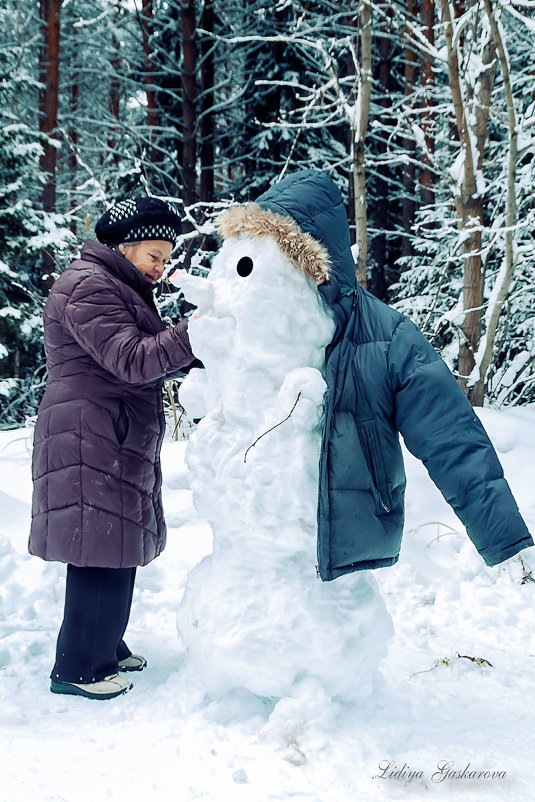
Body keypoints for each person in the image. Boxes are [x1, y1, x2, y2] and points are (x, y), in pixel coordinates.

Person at [216, 169, 533, 580]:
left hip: (346, 538)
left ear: (308, 257)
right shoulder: (239, 326)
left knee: (336, 631)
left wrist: (502, 535)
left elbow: (451, 438)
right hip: (253, 541)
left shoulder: (385, 336)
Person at [28, 197, 195, 700]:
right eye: (153, 256)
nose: (160, 268)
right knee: (97, 546)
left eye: (166, 258)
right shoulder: (88, 286)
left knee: (115, 541)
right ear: (124, 246)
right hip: (90, 431)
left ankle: (106, 643)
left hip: (110, 430)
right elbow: (131, 358)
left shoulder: (118, 287)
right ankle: (80, 667)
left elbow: (150, 351)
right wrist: (199, 333)